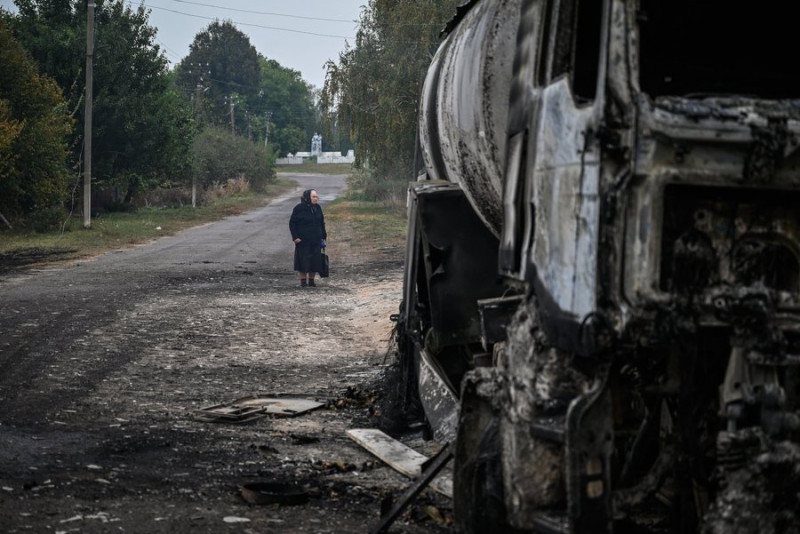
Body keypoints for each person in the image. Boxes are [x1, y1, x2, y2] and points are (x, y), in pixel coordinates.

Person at [289, 189, 327, 287]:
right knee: (302, 260)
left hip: (316, 239)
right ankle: (303, 282)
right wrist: (295, 237)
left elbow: (321, 222)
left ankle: (311, 281)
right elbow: (292, 223)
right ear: (307, 198)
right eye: (313, 197)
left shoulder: (317, 208)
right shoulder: (299, 208)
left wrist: (323, 236)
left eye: (316, 197)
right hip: (303, 240)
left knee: (315, 260)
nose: (316, 198)